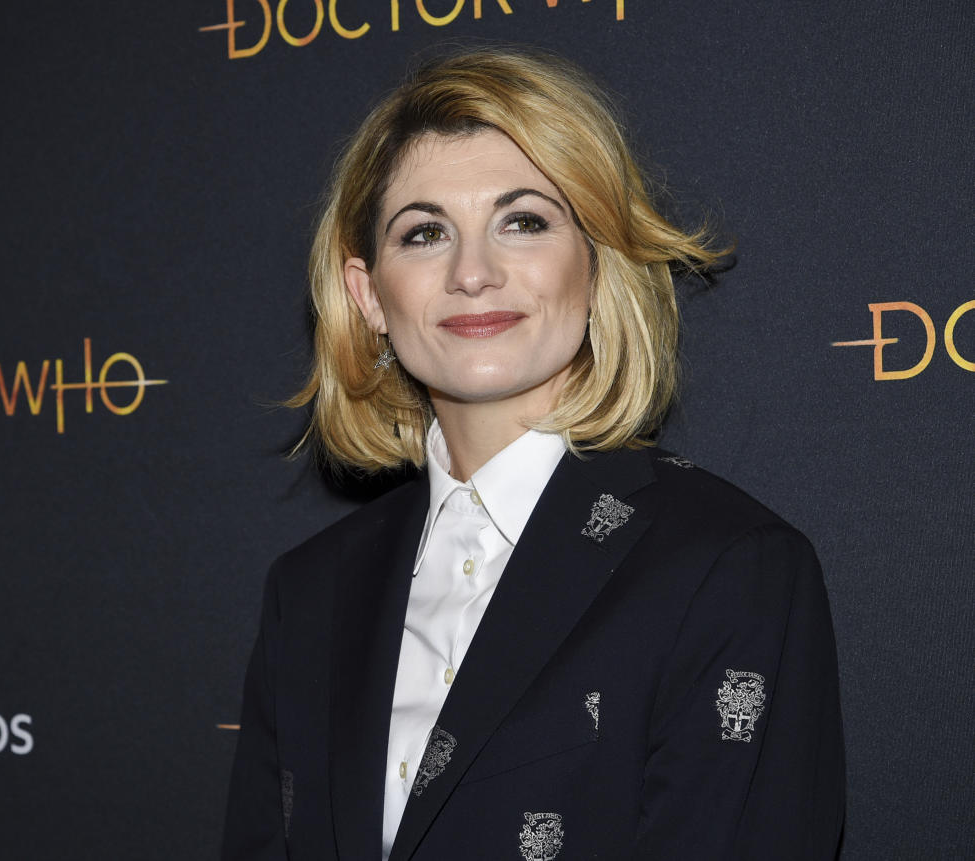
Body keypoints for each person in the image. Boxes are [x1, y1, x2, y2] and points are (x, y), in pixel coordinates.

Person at [222, 47, 845, 860]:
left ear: (595, 266)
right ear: (370, 296)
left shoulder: (730, 569)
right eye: (424, 233)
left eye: (523, 221)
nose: (472, 272)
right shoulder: (308, 593)